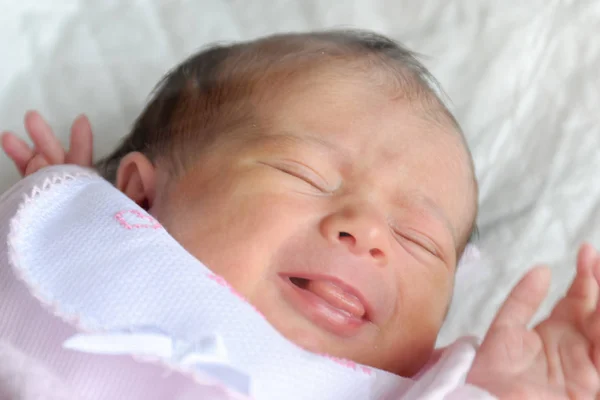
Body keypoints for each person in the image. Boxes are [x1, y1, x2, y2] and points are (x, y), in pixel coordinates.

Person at [2, 30, 600, 398]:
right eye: (305, 174)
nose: (367, 233)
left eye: (418, 240)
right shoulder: (82, 242)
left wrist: (513, 394)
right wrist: (76, 208)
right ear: (138, 199)